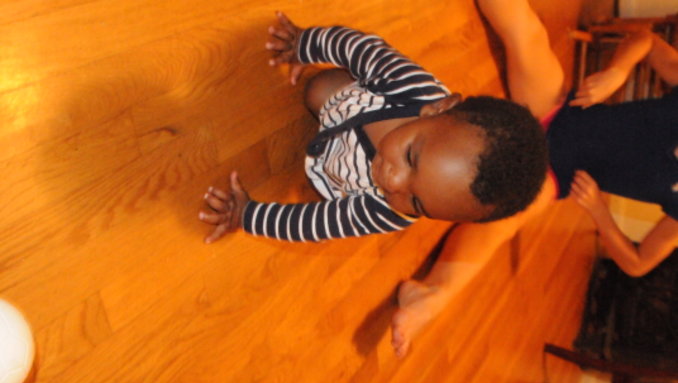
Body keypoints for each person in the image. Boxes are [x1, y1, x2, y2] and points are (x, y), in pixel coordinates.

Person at [391, 0, 678, 357]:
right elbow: (646, 41)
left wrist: (599, 212)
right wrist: (618, 71)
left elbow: (638, 264)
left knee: (500, 224)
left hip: (555, 174)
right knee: (528, 35)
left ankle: (432, 294)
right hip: (560, 110)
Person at [198, 11, 548, 243]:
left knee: (320, 192)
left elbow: (316, 224)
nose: (393, 182)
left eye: (417, 203)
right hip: (350, 107)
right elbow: (361, 49)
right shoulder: (412, 87)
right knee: (316, 89)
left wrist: (247, 215)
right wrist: (305, 43)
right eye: (411, 157)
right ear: (439, 108)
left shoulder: (390, 212)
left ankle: (331, 169)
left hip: (337, 176)